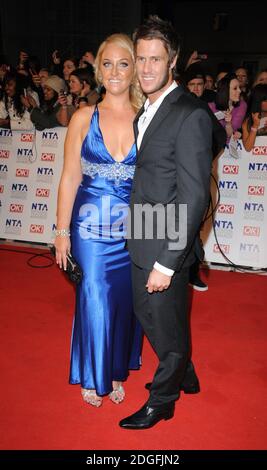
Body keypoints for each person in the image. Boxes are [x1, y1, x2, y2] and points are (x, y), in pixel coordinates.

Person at [119, 15, 214, 430]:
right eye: (140, 58)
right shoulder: (150, 108)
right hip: (143, 231)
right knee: (148, 316)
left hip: (166, 244)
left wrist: (168, 261)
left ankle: (164, 399)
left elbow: (195, 196)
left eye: (155, 59)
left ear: (172, 60)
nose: (145, 68)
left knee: (167, 324)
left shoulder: (189, 114)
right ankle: (184, 372)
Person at [54, 33, 143, 408]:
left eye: (124, 63)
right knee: (94, 295)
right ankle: (93, 373)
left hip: (135, 226)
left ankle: (116, 369)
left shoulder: (148, 117)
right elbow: (70, 176)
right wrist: (61, 234)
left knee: (125, 301)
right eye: (108, 64)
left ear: (135, 69)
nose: (115, 71)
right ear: (98, 70)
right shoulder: (82, 117)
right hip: (90, 225)